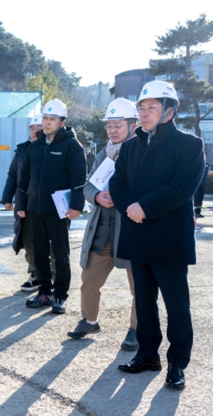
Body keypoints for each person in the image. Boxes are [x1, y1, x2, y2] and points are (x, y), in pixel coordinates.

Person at [109, 80, 204, 390]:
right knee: (144, 303)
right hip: (137, 235)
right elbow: (117, 184)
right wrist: (130, 207)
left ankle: (177, 362)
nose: (144, 113)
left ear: (169, 111)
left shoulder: (189, 145)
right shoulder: (130, 146)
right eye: (142, 108)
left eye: (152, 107)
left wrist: (144, 207)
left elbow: (182, 189)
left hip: (169, 239)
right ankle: (147, 355)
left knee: (177, 305)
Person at [68, 98, 139, 352]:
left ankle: (137, 329)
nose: (112, 130)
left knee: (139, 286)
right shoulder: (103, 154)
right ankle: (89, 321)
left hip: (131, 230)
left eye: (118, 125)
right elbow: (88, 186)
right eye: (109, 125)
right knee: (89, 279)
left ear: (132, 125)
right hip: (103, 230)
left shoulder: (142, 152)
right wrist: (97, 196)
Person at [16, 99, 86, 314]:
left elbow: (79, 178)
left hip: (59, 210)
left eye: (52, 119)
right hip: (35, 209)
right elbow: (24, 178)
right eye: (45, 118)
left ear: (62, 122)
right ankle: (44, 292)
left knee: (60, 254)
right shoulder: (35, 146)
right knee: (39, 253)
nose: (46, 122)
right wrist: (21, 204)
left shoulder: (72, 146)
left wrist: (76, 206)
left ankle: (60, 295)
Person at [2, 113, 42, 292]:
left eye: (38, 129)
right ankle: (35, 275)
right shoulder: (22, 150)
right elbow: (13, 175)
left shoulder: (50, 149)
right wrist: (7, 197)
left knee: (50, 243)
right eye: (32, 128)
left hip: (45, 204)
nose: (34, 132)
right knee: (28, 241)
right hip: (24, 203)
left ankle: (54, 276)